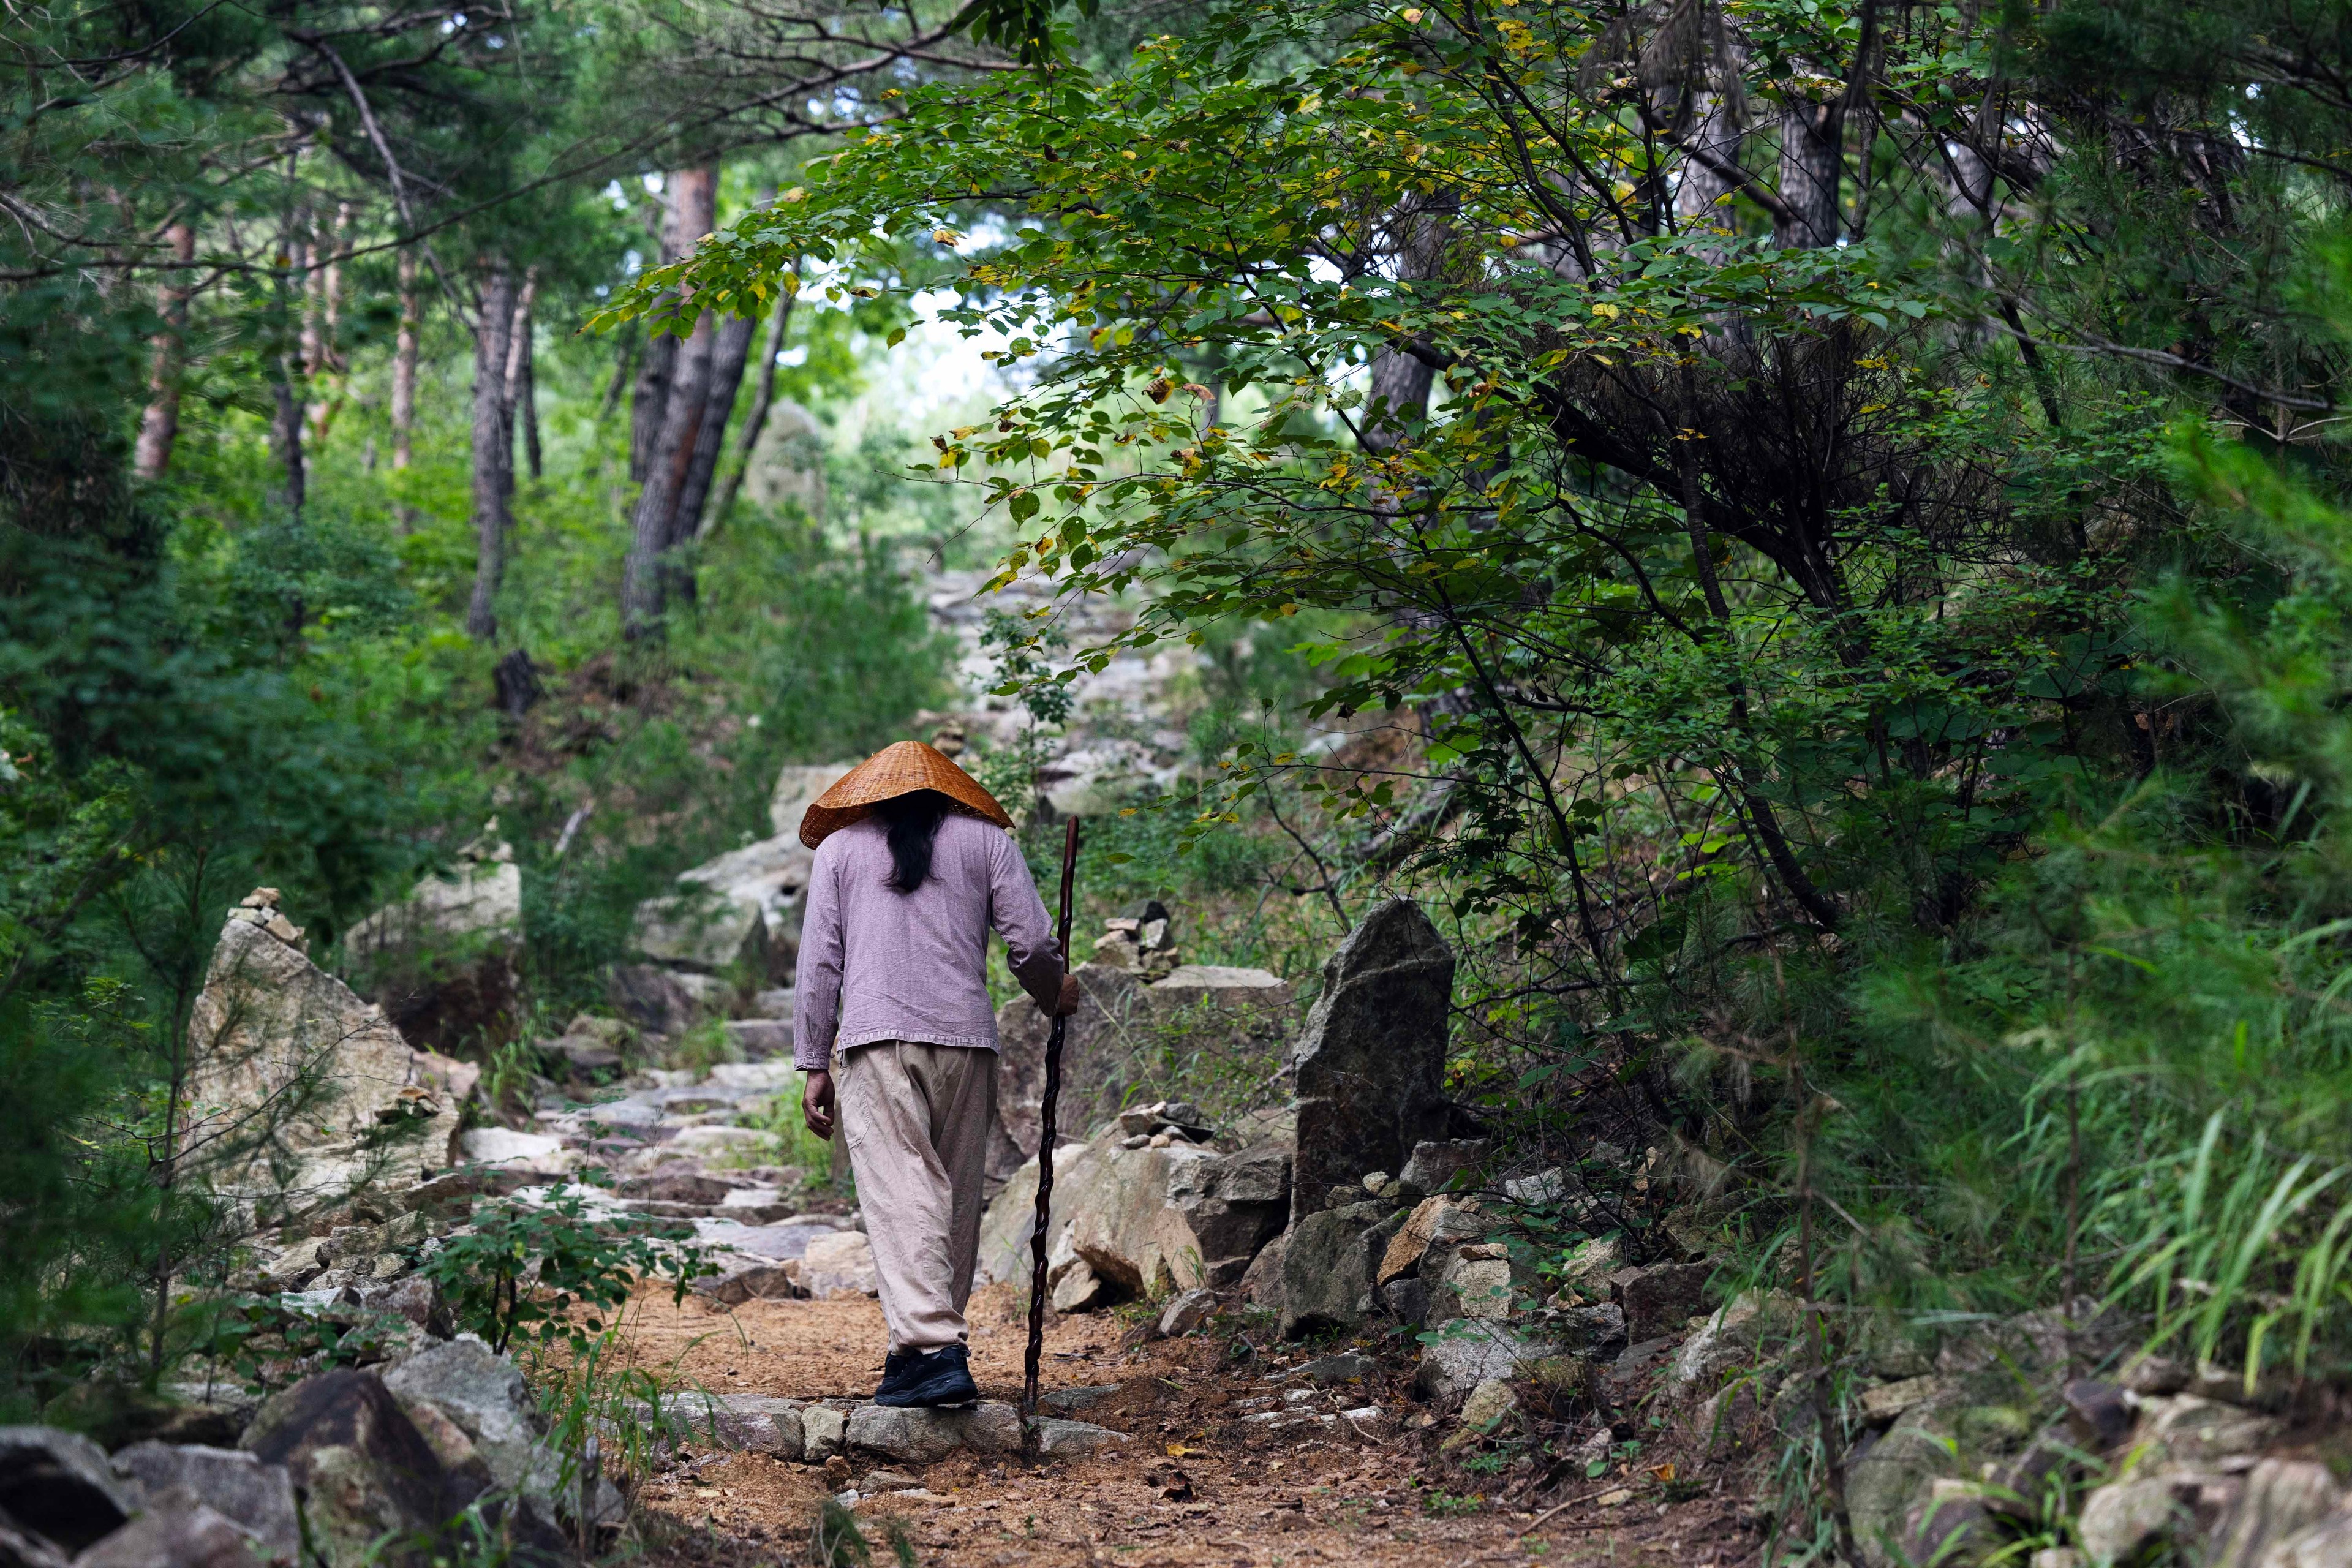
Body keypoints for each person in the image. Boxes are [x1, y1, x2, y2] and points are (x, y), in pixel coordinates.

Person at [791, 741, 1078, 1408]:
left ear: (870, 794)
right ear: (948, 791)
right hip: (967, 1045)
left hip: (878, 1043)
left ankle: (934, 1347)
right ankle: (916, 1351)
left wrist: (813, 1061)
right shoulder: (987, 843)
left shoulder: (840, 851)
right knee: (950, 1198)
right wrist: (1053, 992)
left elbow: (819, 965)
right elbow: (1032, 944)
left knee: (903, 1192)